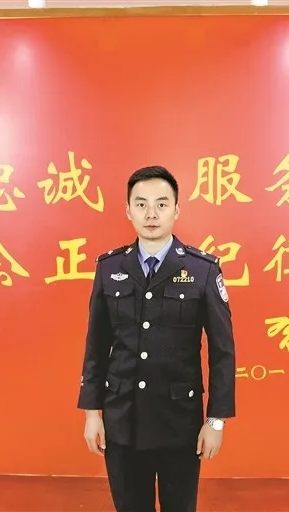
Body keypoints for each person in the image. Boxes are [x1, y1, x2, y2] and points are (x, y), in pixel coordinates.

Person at [77, 165, 237, 512]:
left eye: (162, 204)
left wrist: (216, 421)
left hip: (179, 423)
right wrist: (92, 414)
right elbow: (96, 346)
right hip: (123, 420)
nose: (151, 214)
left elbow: (223, 352)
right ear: (128, 210)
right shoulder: (109, 268)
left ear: (176, 210)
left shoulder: (202, 270)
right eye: (141, 204)